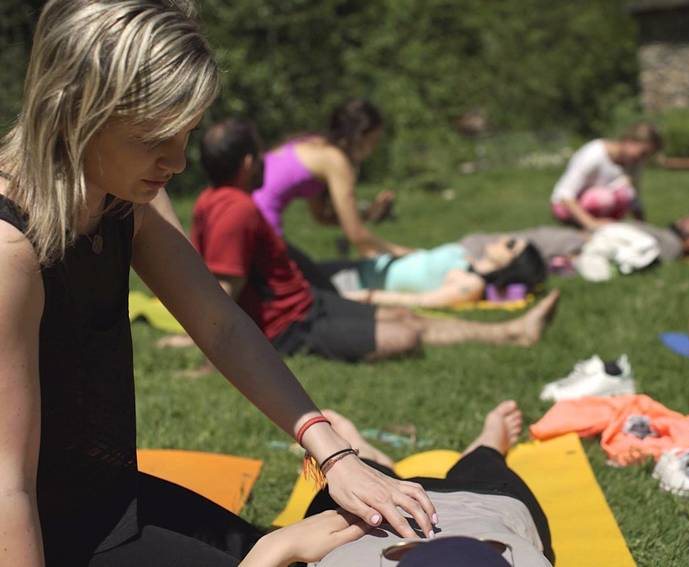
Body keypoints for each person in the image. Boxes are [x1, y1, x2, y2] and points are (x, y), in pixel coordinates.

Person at [0, 2, 440, 565]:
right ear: (75, 109)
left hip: (106, 501)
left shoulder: (125, 196)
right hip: (38, 529)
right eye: (155, 136)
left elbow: (220, 324)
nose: (179, 160)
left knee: (312, 550)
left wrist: (335, 456)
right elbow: (8, 485)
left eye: (186, 133)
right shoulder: (12, 248)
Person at [187, 118, 560, 362]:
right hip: (295, 327)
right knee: (407, 336)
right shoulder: (236, 211)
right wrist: (211, 361)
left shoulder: (211, 202)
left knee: (405, 315)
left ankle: (513, 330)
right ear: (249, 164)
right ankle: (511, 332)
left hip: (307, 303)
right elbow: (223, 289)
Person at [302, 402, 555, 566]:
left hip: (369, 512)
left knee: (360, 480)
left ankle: (365, 457)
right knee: (482, 464)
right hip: (484, 501)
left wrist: (280, 546)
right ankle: (487, 444)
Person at [251, 99, 411, 290]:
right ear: (361, 137)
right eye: (373, 141)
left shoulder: (312, 144)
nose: (373, 149)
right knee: (318, 293)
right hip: (263, 229)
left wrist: (368, 214)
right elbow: (357, 236)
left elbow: (322, 217)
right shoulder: (335, 159)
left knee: (315, 281)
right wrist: (404, 252)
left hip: (247, 220)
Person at [330, 237, 548, 308]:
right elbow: (418, 258)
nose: (502, 238)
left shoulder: (471, 284)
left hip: (355, 285)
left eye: (510, 244)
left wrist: (367, 296)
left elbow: (421, 300)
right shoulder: (466, 257)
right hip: (364, 266)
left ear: (513, 264)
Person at [460, 215, 689, 266]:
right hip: (584, 238)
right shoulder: (668, 239)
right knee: (526, 238)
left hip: (582, 243)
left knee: (522, 243)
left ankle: (462, 254)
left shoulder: (670, 245)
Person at [549, 122, 663, 230]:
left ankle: (608, 226)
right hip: (567, 207)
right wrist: (590, 223)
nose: (643, 159)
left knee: (625, 193)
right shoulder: (594, 154)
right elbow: (564, 193)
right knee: (604, 197)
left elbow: (634, 196)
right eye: (643, 153)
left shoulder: (634, 162)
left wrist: (642, 224)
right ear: (629, 141)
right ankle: (583, 228)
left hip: (598, 208)